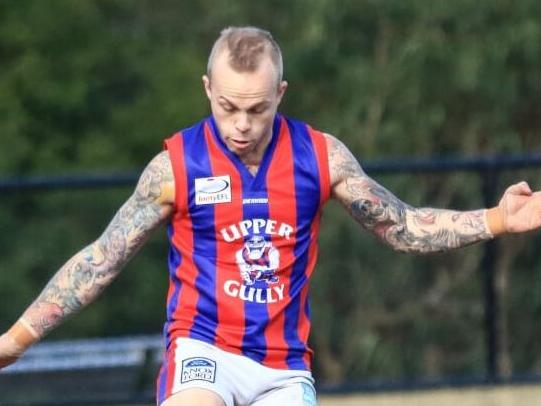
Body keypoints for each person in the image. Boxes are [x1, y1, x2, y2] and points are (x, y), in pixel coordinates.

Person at [1, 26, 541, 406]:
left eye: (257, 109)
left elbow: (400, 226)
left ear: (280, 93)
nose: (241, 124)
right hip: (203, 346)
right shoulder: (174, 167)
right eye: (228, 107)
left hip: (284, 365)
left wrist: (497, 219)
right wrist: (14, 342)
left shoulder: (321, 156)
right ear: (208, 89)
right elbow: (102, 259)